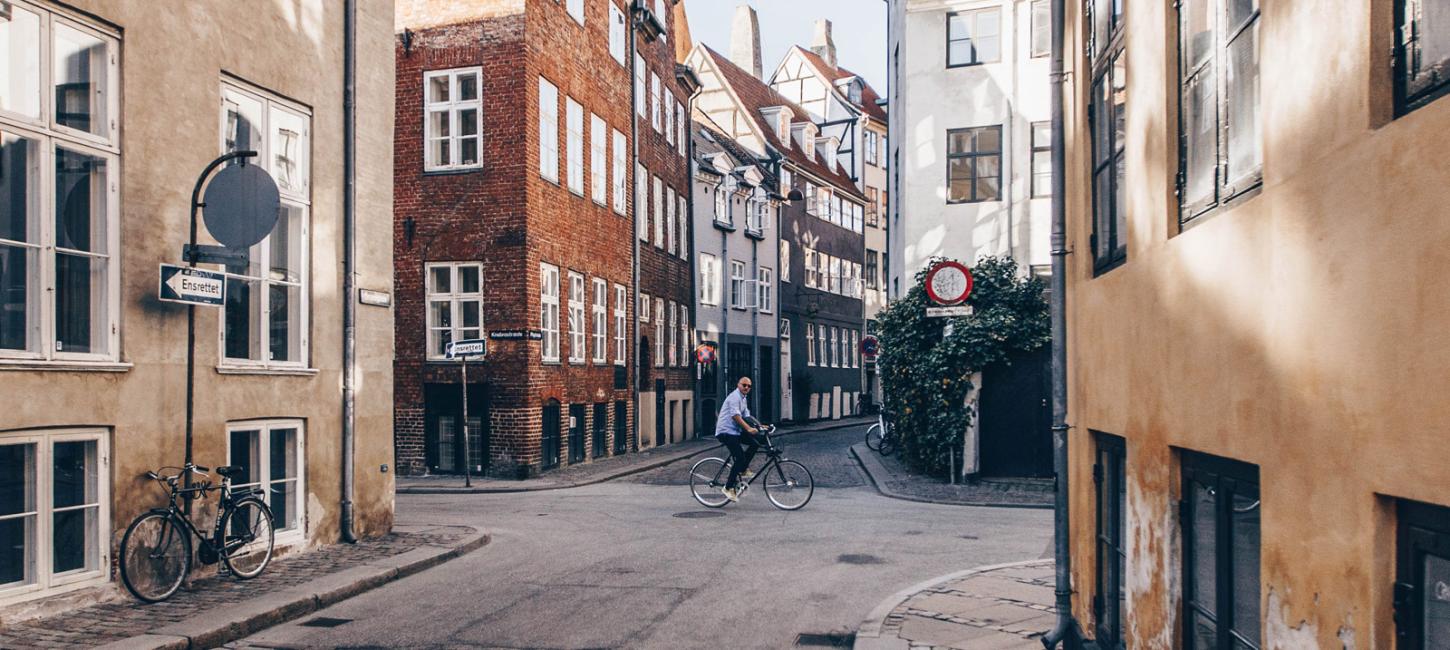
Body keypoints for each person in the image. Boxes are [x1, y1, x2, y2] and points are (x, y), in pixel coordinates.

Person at [714, 376, 766, 501]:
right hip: (726, 432)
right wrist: (748, 429)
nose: (747, 388)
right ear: (738, 385)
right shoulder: (734, 397)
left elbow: (747, 415)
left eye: (749, 386)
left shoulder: (743, 398)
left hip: (735, 432)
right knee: (740, 457)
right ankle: (728, 487)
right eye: (744, 385)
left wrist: (760, 426)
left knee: (757, 441)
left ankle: (743, 469)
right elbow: (736, 416)